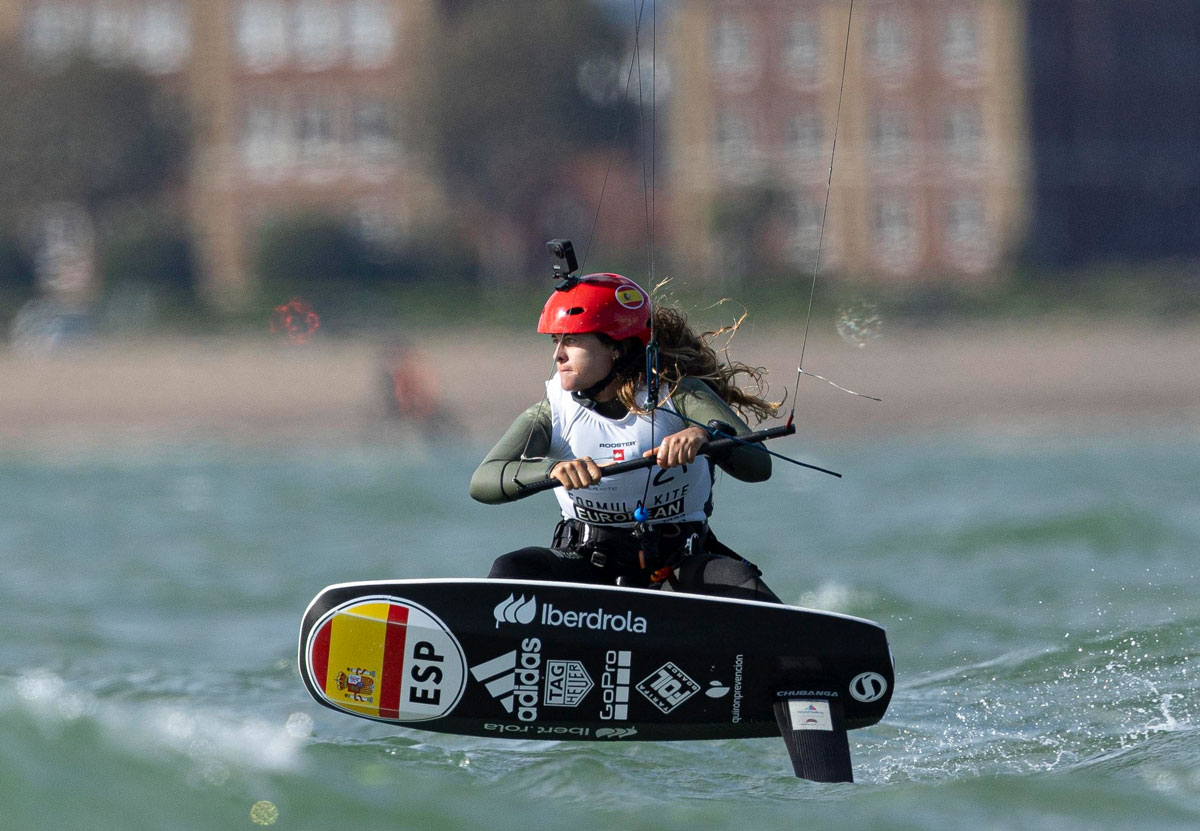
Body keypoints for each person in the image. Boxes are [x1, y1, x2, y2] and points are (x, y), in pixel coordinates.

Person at [469, 272, 782, 603]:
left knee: (739, 580)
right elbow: (482, 481)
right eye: (555, 342)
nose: (557, 355)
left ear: (615, 348)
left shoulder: (681, 396)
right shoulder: (551, 413)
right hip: (586, 566)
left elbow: (759, 466)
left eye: (571, 341)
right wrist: (551, 471)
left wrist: (704, 435)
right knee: (513, 567)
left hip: (679, 568)